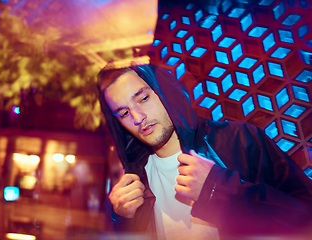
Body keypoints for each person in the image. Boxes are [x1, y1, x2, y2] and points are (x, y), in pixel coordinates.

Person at [97, 61, 312, 239]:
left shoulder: (238, 140)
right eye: (124, 113)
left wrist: (220, 189)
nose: (137, 118)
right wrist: (120, 220)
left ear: (165, 92)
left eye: (143, 98)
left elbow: (305, 217)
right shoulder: (136, 181)